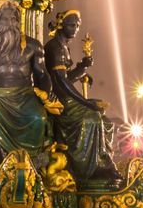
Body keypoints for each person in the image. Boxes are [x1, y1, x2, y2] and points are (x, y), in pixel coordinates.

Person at [0, 0, 61, 171]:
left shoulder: (33, 46)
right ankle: (1, 166)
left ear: (18, 21)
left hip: (25, 93)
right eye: (5, 20)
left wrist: (47, 92)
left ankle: (32, 166)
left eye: (13, 19)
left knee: (39, 118)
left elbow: (42, 74)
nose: (10, 24)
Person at [44, 10, 121, 185]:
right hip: (58, 99)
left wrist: (82, 68)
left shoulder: (64, 46)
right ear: (61, 25)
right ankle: (86, 170)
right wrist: (85, 102)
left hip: (67, 96)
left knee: (106, 121)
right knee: (92, 118)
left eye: (78, 25)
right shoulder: (54, 47)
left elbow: (68, 78)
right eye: (72, 25)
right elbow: (61, 82)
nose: (76, 29)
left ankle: (103, 163)